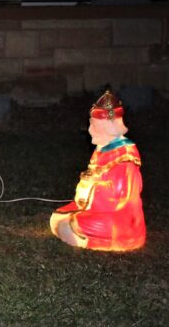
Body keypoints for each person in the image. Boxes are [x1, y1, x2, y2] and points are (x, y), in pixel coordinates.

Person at [50, 91, 145, 251]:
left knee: (71, 224)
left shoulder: (125, 155)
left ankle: (109, 238)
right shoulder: (102, 148)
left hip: (116, 215)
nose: (90, 130)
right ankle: (77, 228)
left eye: (94, 126)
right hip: (92, 208)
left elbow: (119, 194)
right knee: (58, 216)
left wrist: (92, 185)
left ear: (106, 127)